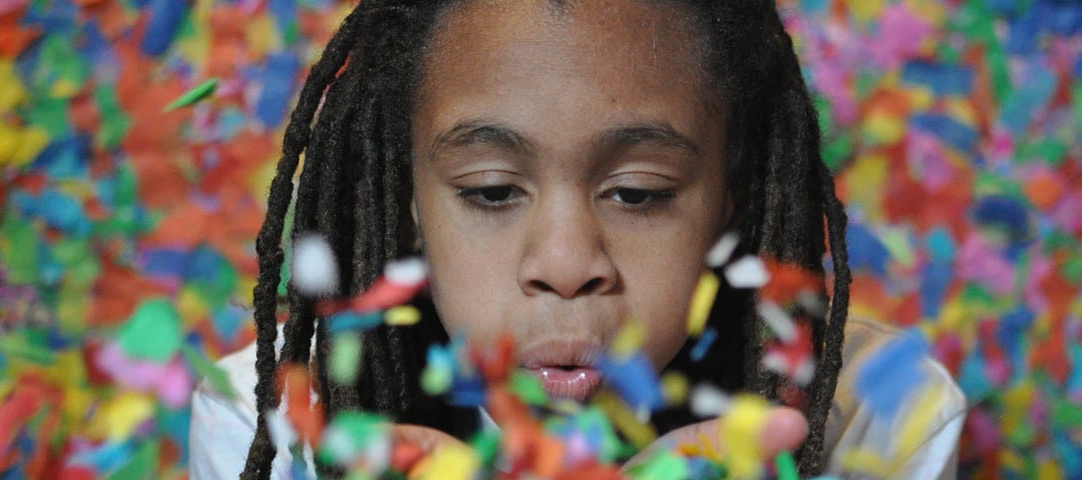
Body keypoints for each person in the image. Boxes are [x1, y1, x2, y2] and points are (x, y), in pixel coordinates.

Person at [190, 0, 964, 478]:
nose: (565, 266)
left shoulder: (884, 415)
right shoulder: (270, 425)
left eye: (639, 193)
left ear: (730, 200)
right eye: (492, 191)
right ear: (412, 197)